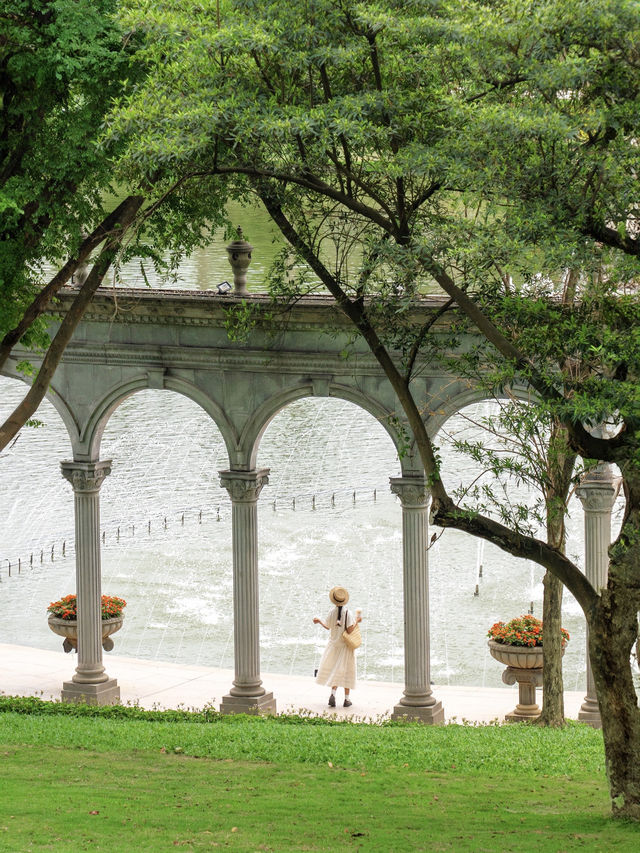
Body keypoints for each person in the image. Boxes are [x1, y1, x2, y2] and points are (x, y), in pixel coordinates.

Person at [313, 586, 362, 708]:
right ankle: (346, 699)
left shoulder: (332, 612)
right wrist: (357, 621)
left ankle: (333, 694)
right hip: (345, 647)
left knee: (335, 669)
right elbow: (350, 630)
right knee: (346, 672)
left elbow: (328, 627)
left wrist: (319, 621)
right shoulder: (348, 613)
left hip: (333, 646)